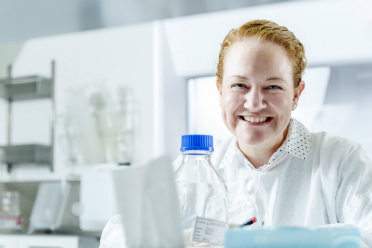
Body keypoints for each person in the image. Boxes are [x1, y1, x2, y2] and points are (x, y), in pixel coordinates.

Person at [213, 19, 372, 247]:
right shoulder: (196, 171)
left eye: (273, 86)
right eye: (239, 85)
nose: (255, 103)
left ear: (296, 94)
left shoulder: (342, 161)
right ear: (220, 90)